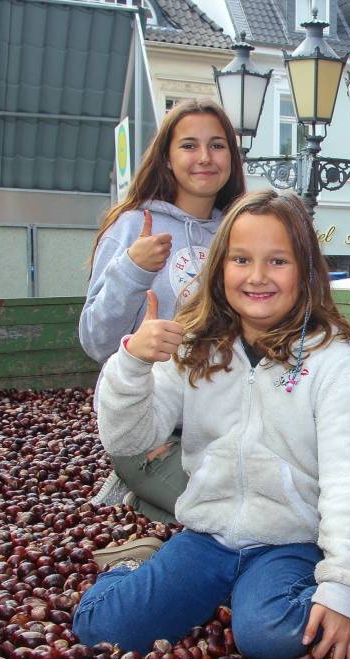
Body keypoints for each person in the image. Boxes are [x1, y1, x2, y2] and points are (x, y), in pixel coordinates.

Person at [72, 190, 350, 659]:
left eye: (277, 261)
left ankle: (290, 587)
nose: (257, 276)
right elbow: (130, 439)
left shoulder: (332, 361)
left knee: (270, 638)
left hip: (290, 540)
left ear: (306, 271)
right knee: (99, 627)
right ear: (220, 267)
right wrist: (131, 362)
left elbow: (348, 481)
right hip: (207, 536)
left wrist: (342, 585)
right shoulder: (196, 345)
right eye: (241, 259)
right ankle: (133, 565)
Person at [79, 99, 245, 524]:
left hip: (227, 425)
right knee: (236, 517)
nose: (205, 157)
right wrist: (133, 271)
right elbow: (97, 341)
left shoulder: (242, 230)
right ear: (167, 159)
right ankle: (149, 487)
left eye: (217, 145)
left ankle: (149, 506)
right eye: (189, 145)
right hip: (153, 426)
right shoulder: (135, 226)